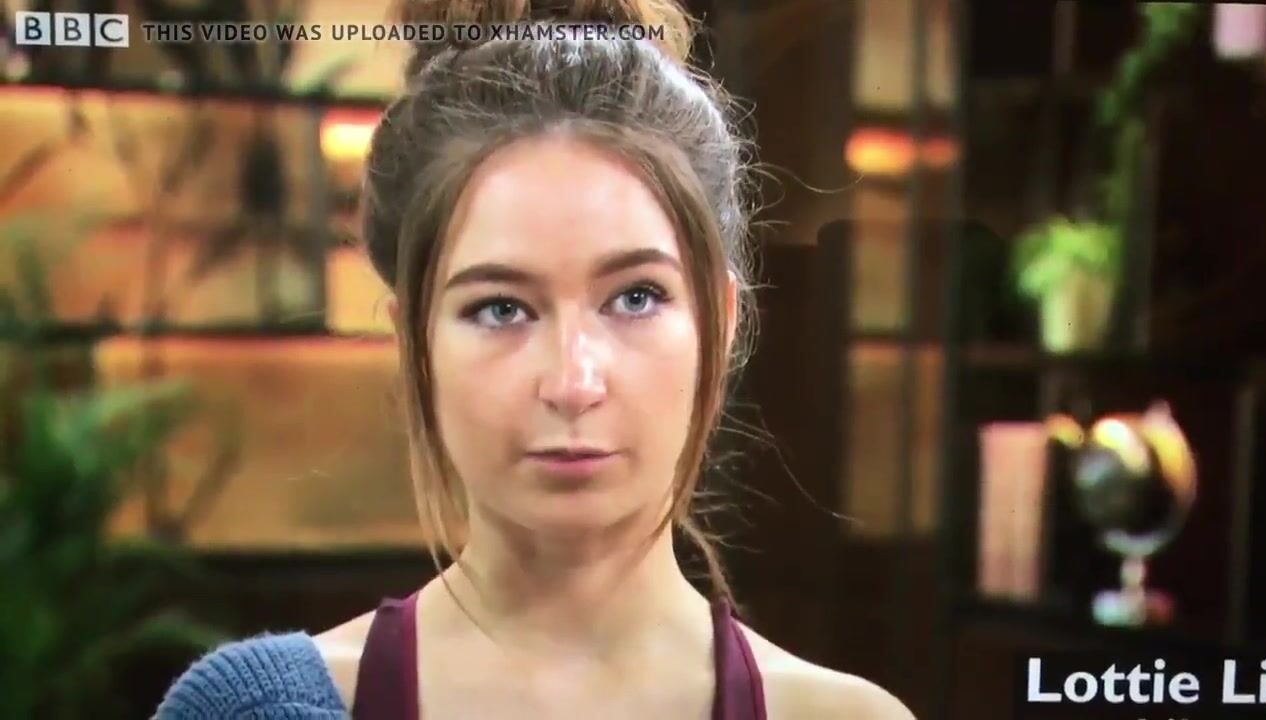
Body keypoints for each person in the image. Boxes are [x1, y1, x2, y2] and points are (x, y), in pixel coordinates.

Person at [156, 1, 915, 717]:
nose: (573, 382)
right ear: (413, 343)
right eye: (501, 309)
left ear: (719, 322)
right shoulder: (264, 708)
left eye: (636, 297)